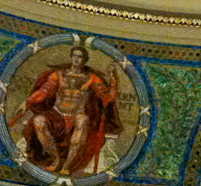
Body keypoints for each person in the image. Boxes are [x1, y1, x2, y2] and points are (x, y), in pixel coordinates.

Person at [9, 46, 121, 174]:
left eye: (80, 57)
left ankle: (67, 164)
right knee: (38, 121)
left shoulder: (92, 78)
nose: (76, 59)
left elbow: (108, 97)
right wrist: (27, 102)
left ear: (85, 60)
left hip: (77, 113)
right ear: (71, 57)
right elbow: (44, 91)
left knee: (82, 120)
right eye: (74, 56)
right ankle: (56, 159)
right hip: (57, 113)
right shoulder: (59, 75)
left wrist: (113, 79)